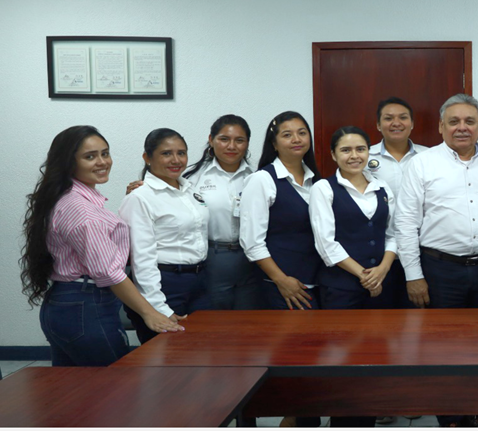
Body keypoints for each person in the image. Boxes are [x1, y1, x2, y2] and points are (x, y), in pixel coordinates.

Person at [395, 93, 478, 427]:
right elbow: (405, 223)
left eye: (469, 121)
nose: (462, 128)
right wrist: (413, 275)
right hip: (438, 269)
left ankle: (476, 411)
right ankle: (450, 417)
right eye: (454, 122)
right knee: (441, 349)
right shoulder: (422, 163)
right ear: (441, 126)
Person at [21, 126, 181, 366]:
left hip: (66, 303)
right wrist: (150, 312)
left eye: (105, 154)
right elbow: (108, 272)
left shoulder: (71, 197)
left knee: (75, 390)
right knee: (113, 390)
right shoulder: (82, 210)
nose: (102, 162)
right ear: (68, 162)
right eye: (90, 156)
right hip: (86, 306)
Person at [128, 115, 262, 310]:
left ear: (247, 143)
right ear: (211, 140)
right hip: (212, 257)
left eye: (239, 140)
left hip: (251, 257)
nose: (231, 146)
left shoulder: (258, 177)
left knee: (252, 318)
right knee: (215, 321)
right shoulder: (190, 177)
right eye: (224, 139)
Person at [119, 128, 210, 345]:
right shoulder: (140, 197)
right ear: (147, 158)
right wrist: (158, 307)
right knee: (165, 356)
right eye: (166, 153)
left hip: (200, 281)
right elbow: (142, 259)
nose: (176, 160)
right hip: (165, 284)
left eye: (181, 153)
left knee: (201, 352)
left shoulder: (190, 190)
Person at [240, 111, 321, 311]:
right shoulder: (262, 180)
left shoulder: (318, 181)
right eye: (287, 135)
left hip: (319, 281)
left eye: (302, 133)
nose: (296, 139)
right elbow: (252, 243)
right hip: (282, 285)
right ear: (274, 144)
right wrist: (281, 280)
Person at [310, 126, 396, 310]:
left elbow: (393, 234)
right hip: (341, 288)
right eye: (346, 150)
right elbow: (326, 244)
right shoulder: (323, 189)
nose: (354, 156)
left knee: (382, 338)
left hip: (383, 284)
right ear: (333, 155)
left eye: (360, 149)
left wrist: (382, 270)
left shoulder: (382, 187)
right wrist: (365, 276)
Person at [367, 97, 427, 309]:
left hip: (422, 250)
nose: (396, 123)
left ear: (412, 123)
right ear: (377, 124)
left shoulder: (428, 156)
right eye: (388, 118)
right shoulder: (364, 157)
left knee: (420, 319)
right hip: (380, 253)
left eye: (403, 118)